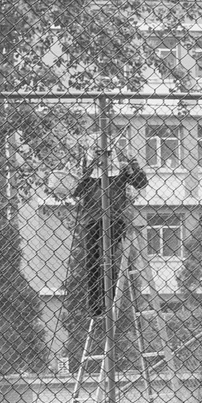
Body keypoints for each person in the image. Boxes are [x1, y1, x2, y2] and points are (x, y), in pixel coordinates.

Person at [60, 150, 148, 369]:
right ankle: (97, 303)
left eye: (106, 155)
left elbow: (140, 182)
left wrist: (130, 163)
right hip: (92, 220)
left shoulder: (119, 171)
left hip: (115, 218)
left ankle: (110, 299)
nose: (104, 159)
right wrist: (88, 169)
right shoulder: (88, 171)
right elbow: (75, 190)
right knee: (93, 260)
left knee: (109, 258)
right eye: (100, 155)